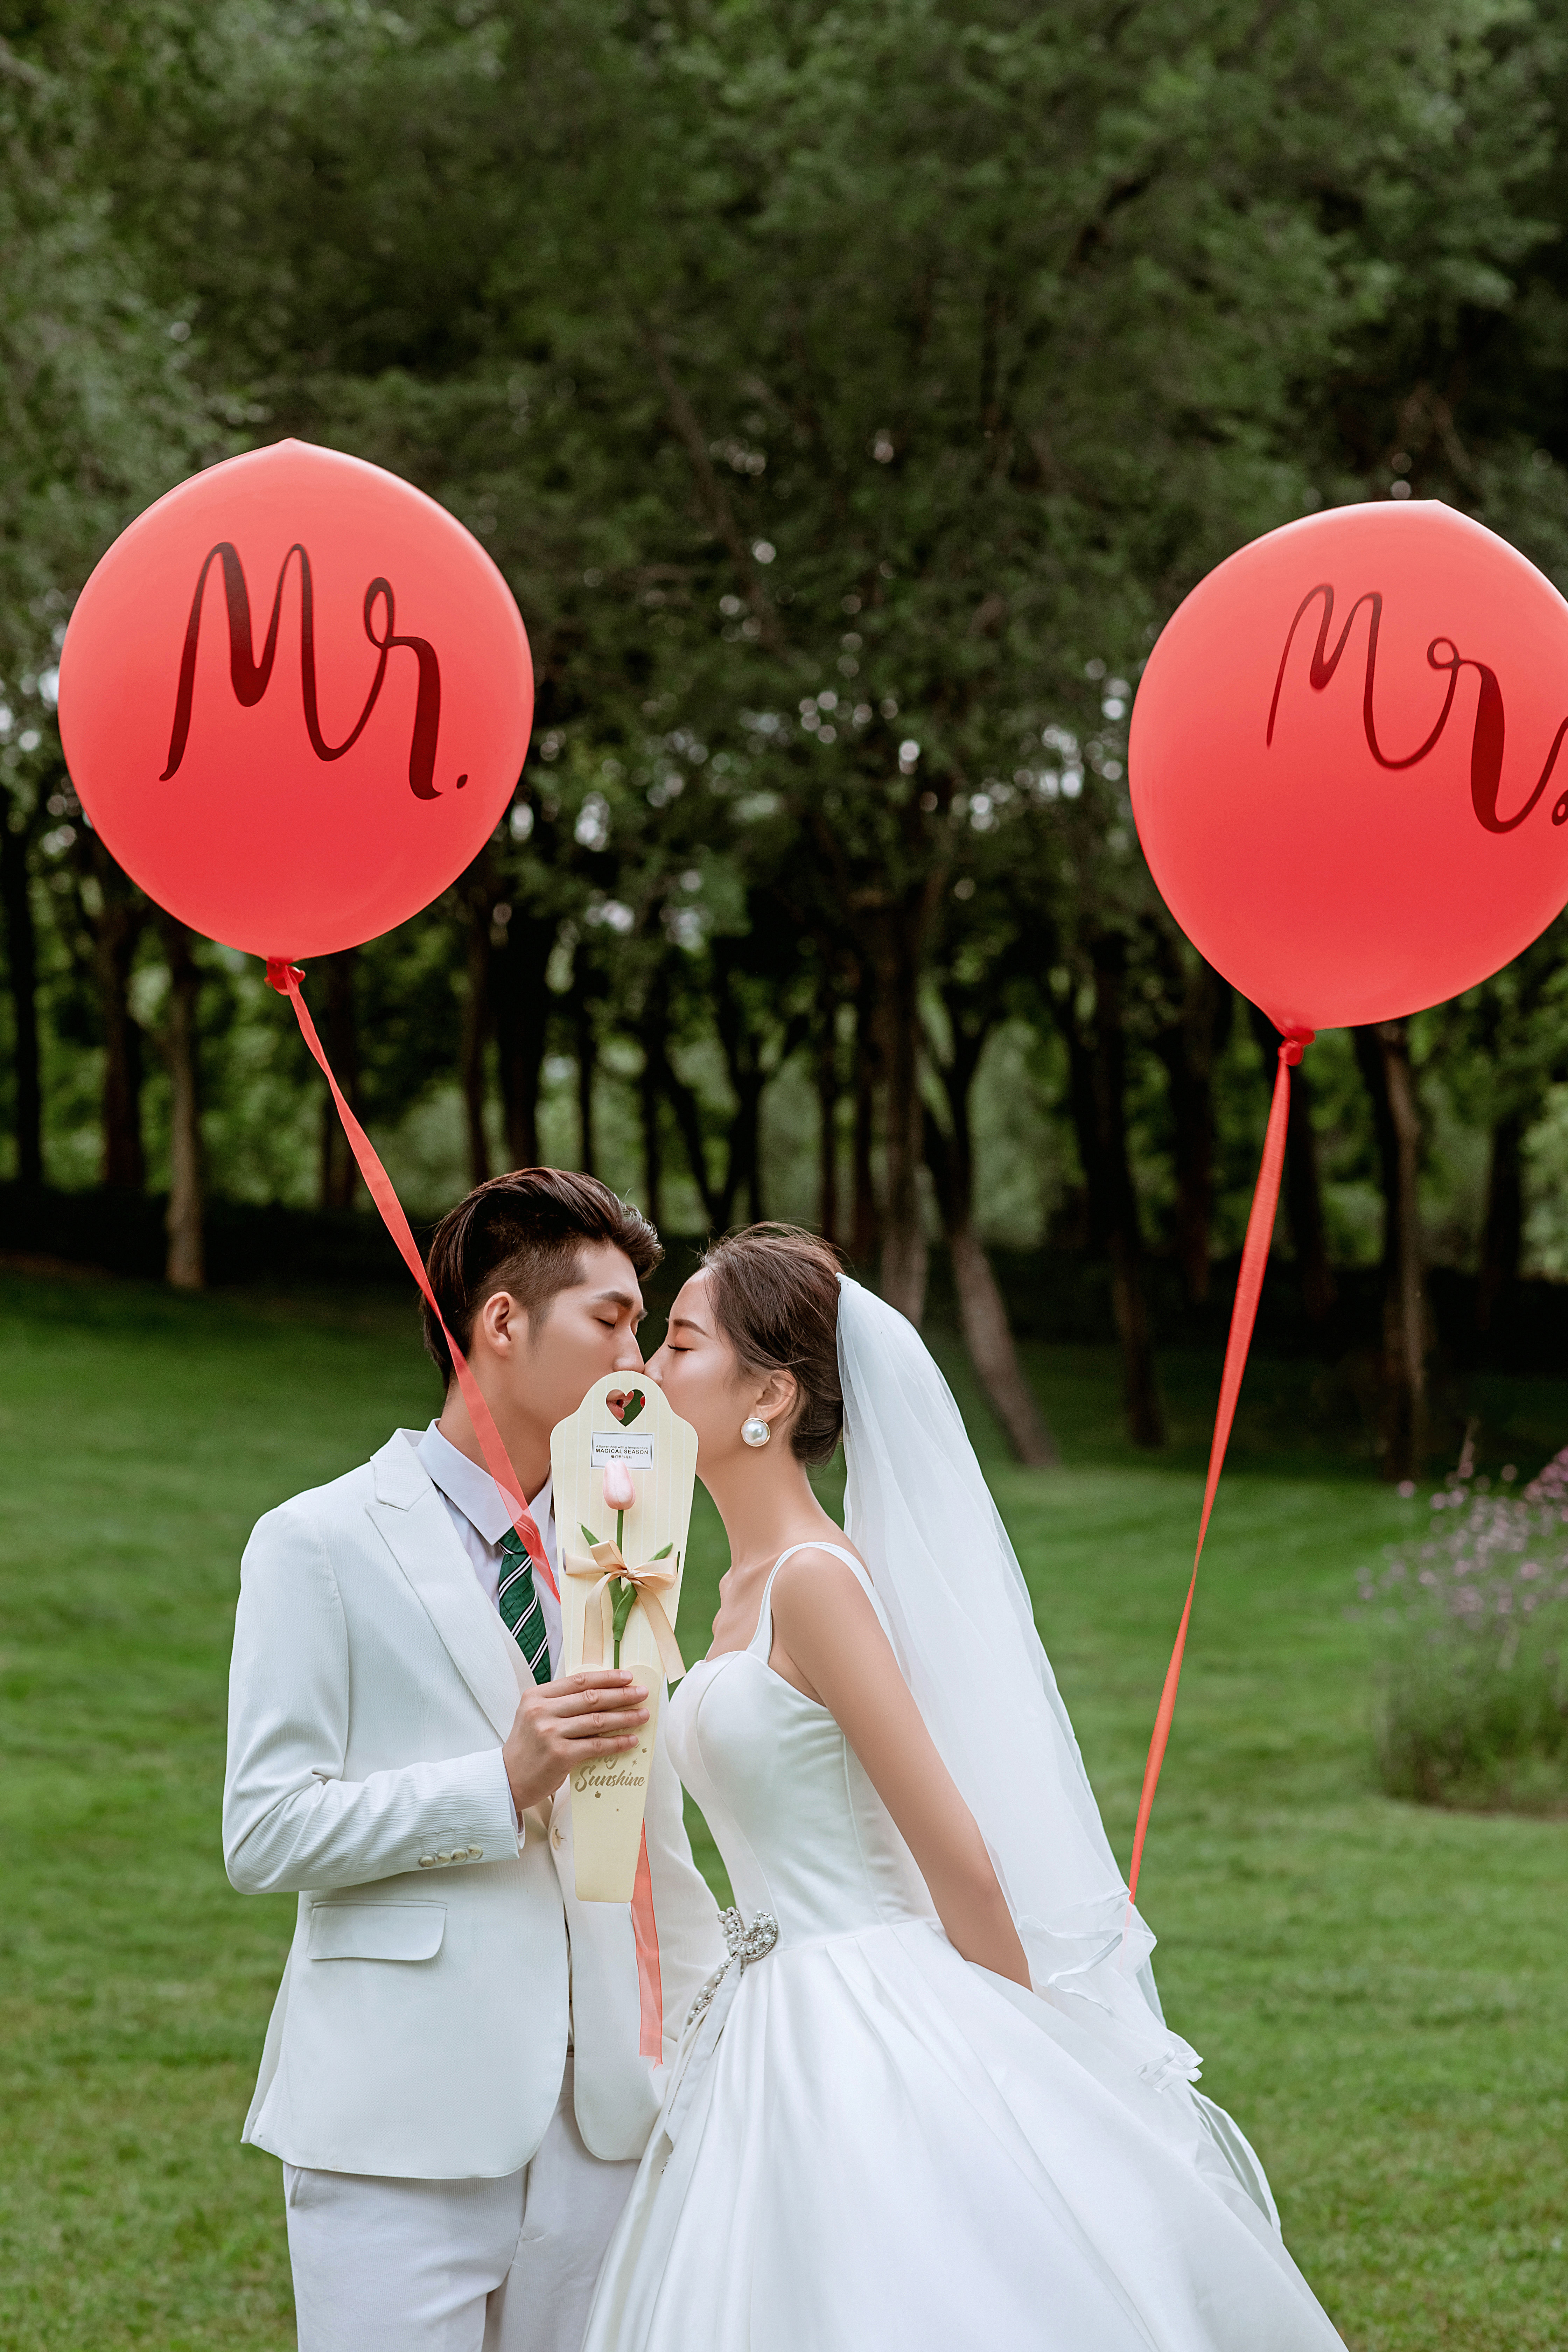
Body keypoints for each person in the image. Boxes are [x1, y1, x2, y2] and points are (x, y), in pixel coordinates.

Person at [582, 1223, 1345, 2352]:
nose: (646, 1369)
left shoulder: (814, 1585)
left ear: (771, 1397)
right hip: (767, 2026)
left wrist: (1031, 2067)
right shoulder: (736, 1590)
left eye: (681, 1344)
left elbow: (960, 1861)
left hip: (867, 2017)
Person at [222, 1169, 722, 2352]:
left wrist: (708, 2039)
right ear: (502, 1322)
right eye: (611, 1321)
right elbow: (264, 1831)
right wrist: (500, 1784)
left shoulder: (623, 1542)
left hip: (604, 2120)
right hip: (397, 2120)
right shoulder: (317, 1541)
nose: (640, 1363)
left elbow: (650, 1838)